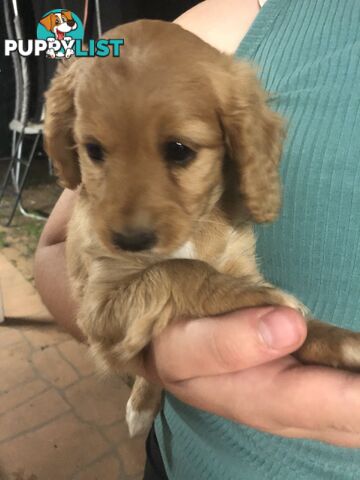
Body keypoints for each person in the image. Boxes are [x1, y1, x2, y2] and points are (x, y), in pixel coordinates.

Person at [34, 0, 360, 478]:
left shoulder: (229, 93)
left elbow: (242, 306)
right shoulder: (219, 23)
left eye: (178, 151)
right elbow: (59, 255)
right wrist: (157, 367)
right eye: (96, 149)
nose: (130, 220)